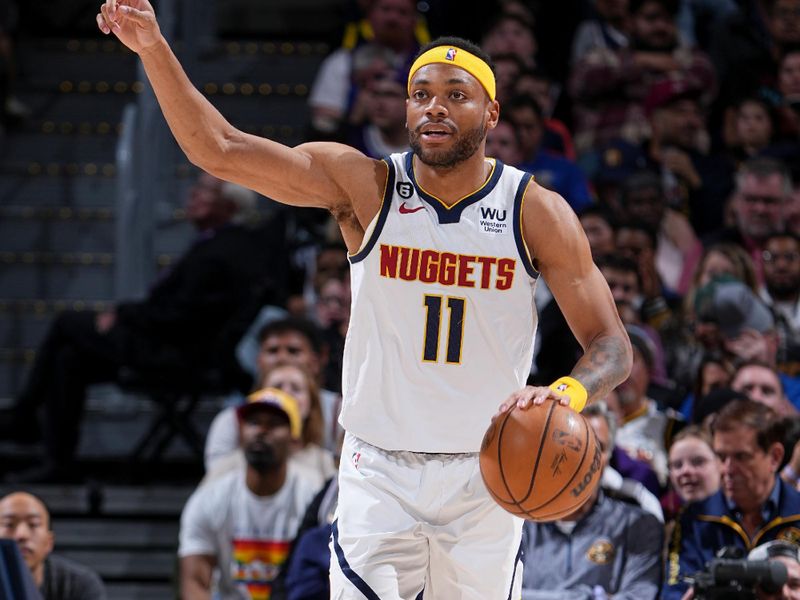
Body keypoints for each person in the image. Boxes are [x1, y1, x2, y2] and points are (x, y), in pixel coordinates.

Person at [97, 6, 632, 596]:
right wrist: (151, 48)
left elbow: (611, 345)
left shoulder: (534, 210)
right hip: (379, 470)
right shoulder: (366, 187)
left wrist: (567, 393)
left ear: (492, 112)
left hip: (488, 471)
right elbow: (220, 149)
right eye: (421, 93)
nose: (435, 106)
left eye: (457, 94)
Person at [0, 171, 275, 482]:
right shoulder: (220, 243)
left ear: (230, 204)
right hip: (172, 345)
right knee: (69, 360)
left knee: (68, 324)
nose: (193, 196)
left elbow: (180, 316)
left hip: (180, 354)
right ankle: (58, 461)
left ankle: (23, 417)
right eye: (195, 189)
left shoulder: (225, 250)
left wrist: (123, 314)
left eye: (205, 192)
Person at [178, 388, 319, 600]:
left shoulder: (312, 496)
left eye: (274, 424)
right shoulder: (210, 498)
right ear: (240, 434)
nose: (261, 430)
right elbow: (194, 581)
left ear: (294, 439)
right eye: (253, 422)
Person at [520, 402, 664, 599]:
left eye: (599, 447)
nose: (587, 457)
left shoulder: (638, 525)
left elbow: (639, 596)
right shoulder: (520, 526)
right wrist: (590, 596)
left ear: (610, 456)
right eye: (576, 444)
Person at [663, 399, 800, 600]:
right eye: (721, 456)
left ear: (775, 457)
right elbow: (675, 591)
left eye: (741, 457)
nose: (727, 469)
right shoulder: (695, 518)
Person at [0, 492, 106, 599]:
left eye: (33, 524)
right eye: (8, 524)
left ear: (49, 542)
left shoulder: (80, 583)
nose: (22, 535)